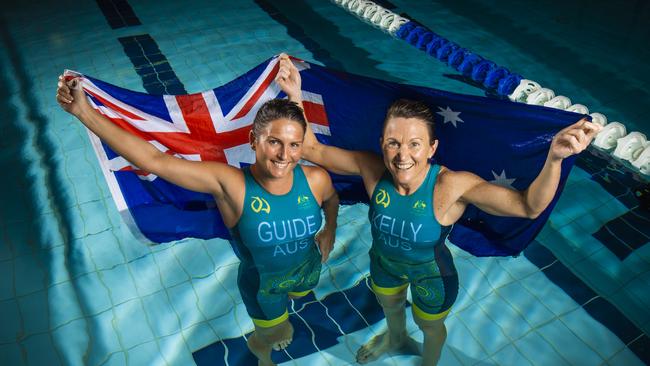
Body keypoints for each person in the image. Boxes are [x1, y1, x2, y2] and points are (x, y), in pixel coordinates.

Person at [274, 54, 600, 366]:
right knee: (391, 308)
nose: (403, 156)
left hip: (433, 279)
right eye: (394, 143)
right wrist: (295, 94)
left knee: (430, 327)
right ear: (382, 143)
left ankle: (428, 362)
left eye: (414, 144)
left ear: (432, 148)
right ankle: (396, 338)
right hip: (384, 268)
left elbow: (528, 206)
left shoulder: (452, 186)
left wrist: (555, 158)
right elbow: (312, 149)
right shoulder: (371, 169)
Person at [56, 74, 339, 366]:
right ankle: (259, 349)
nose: (284, 155)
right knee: (274, 333)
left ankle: (281, 317)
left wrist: (330, 228)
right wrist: (84, 112)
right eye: (274, 142)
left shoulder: (316, 179)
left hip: (307, 270)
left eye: (294, 145)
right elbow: (156, 161)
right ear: (253, 141)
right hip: (263, 289)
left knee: (301, 292)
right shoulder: (230, 185)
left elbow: (331, 199)